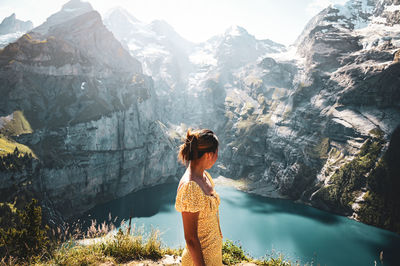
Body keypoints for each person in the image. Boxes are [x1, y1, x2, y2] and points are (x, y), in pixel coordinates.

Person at [175, 129, 223, 266]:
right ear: (209, 155)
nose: (217, 157)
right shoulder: (190, 187)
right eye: (216, 153)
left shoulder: (205, 176)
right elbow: (190, 238)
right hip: (199, 262)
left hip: (213, 257)